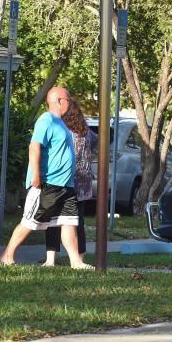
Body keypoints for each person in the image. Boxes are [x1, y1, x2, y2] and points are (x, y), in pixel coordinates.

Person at [0, 86, 91, 269]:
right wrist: (36, 175)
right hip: (48, 183)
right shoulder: (46, 120)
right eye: (68, 99)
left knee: (68, 222)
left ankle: (76, 262)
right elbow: (34, 147)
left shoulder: (61, 122)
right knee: (30, 221)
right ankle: (7, 256)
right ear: (58, 100)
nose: (70, 103)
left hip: (66, 184)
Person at [43, 98, 98, 266]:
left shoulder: (61, 130)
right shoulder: (86, 132)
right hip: (82, 183)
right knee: (77, 221)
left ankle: (50, 259)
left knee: (53, 219)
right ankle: (79, 258)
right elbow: (97, 144)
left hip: (62, 179)